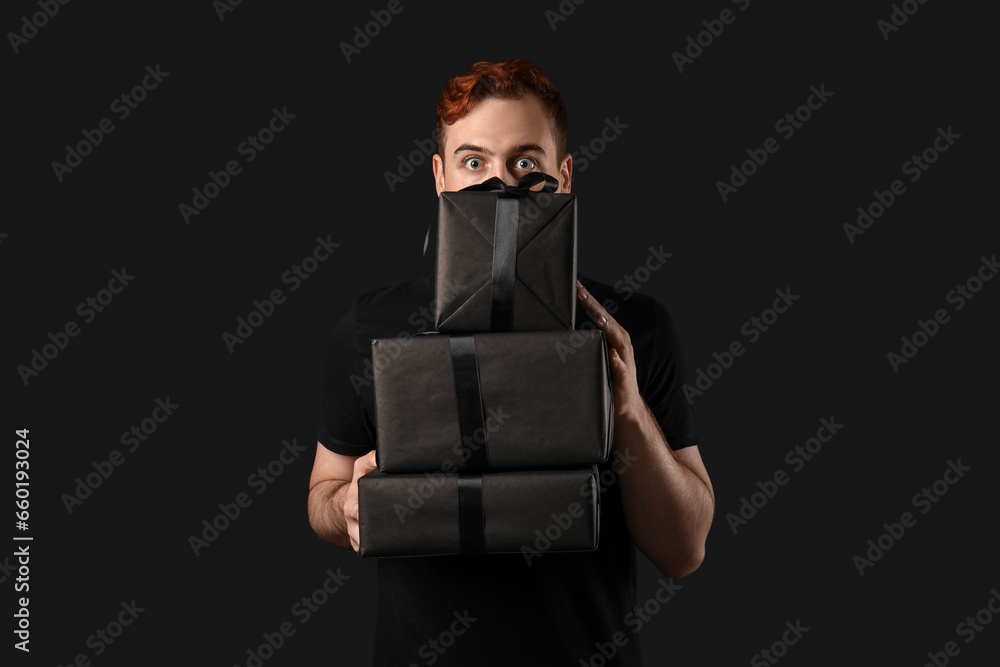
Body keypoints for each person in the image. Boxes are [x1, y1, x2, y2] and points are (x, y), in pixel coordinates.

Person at [307, 59, 714, 666]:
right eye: (474, 162)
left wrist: (624, 405)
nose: (500, 186)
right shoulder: (369, 327)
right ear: (441, 177)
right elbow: (322, 492)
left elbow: (684, 551)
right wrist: (342, 510)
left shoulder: (635, 327)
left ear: (564, 176)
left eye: (526, 163)